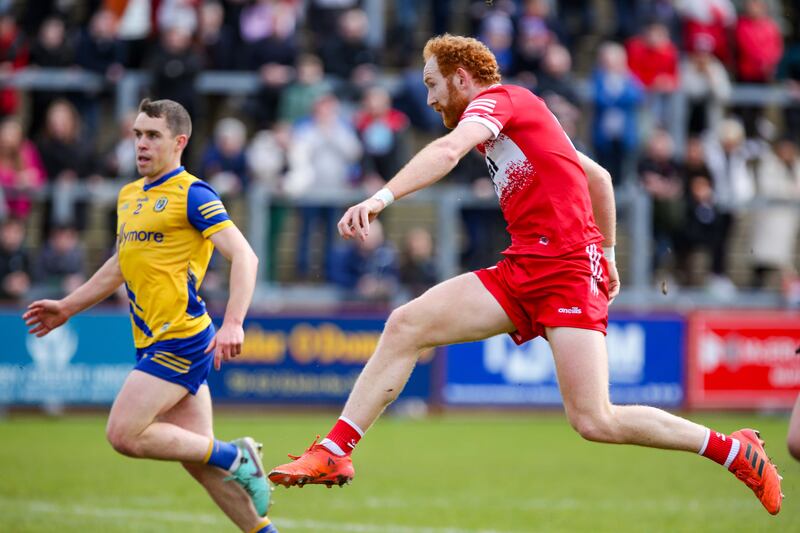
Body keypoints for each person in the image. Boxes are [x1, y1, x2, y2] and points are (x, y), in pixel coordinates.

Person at [268, 34, 783, 515]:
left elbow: (447, 151)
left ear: (462, 77)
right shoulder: (521, 119)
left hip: (564, 271)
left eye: (431, 83)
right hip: (526, 266)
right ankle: (334, 450)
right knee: (406, 324)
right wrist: (608, 251)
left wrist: (381, 197)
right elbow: (598, 178)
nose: (428, 99)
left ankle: (733, 450)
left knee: (594, 420)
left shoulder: (499, 101)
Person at [23, 99, 278, 533]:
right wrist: (68, 306)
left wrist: (234, 322)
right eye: (138, 134)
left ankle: (236, 456)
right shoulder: (129, 196)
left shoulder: (194, 194)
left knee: (123, 434)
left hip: (182, 337)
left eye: (153, 135)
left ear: (179, 142)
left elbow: (245, 257)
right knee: (196, 460)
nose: (141, 144)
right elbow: (121, 264)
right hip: (155, 340)